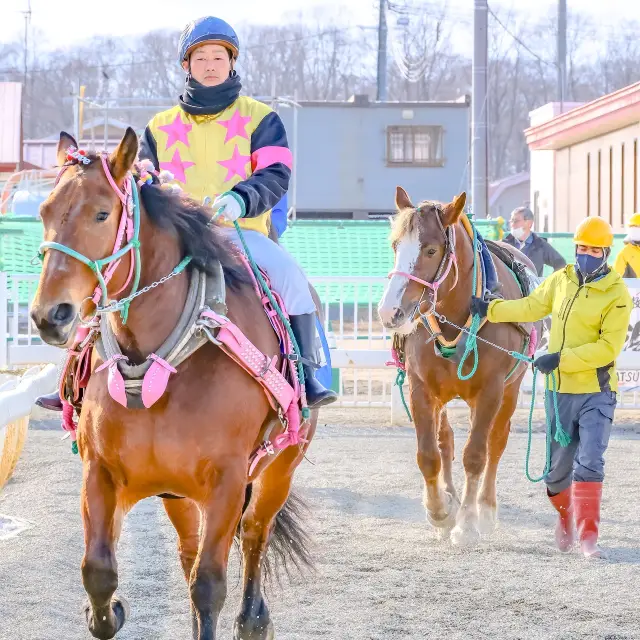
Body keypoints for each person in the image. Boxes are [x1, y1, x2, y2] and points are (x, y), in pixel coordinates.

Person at [36, 16, 336, 410]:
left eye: (218, 57)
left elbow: (276, 173)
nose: (210, 65)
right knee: (102, 283)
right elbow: (138, 183)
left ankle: (307, 374)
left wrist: (241, 199)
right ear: (186, 66)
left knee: (290, 277)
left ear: (232, 62)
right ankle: (72, 381)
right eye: (200, 58)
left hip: (238, 232)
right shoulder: (159, 127)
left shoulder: (263, 118)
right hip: (171, 239)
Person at [469, 217, 632, 559]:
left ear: (605, 252)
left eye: (594, 250)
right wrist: (491, 309)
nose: (587, 254)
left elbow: (607, 348)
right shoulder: (560, 281)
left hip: (596, 392)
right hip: (558, 392)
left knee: (589, 463)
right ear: (576, 248)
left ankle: (589, 538)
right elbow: (531, 306)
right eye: (582, 248)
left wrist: (559, 359)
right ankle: (566, 518)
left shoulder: (616, 294)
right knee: (556, 476)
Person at [503, 206, 566, 276]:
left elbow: (561, 263)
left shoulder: (540, 245)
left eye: (516, 221)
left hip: (534, 286)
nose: (512, 224)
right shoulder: (504, 244)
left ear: (529, 223)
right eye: (511, 221)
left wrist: (549, 283)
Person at [614, 212, 640, 277]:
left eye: (637, 227)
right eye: (632, 227)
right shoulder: (624, 254)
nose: (635, 230)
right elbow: (618, 280)